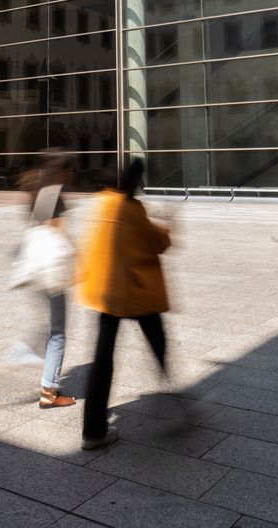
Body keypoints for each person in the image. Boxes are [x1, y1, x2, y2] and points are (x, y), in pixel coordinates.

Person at [78, 158, 171, 449]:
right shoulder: (130, 209)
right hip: (136, 292)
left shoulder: (101, 203)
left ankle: (92, 431)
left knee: (102, 360)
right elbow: (158, 244)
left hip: (104, 291)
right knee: (158, 342)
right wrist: (167, 226)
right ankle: (178, 400)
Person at [17, 151, 77, 410]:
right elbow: (57, 231)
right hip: (52, 273)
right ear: (61, 172)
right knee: (58, 334)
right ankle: (49, 391)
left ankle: (27, 351)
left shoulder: (37, 192)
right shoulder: (54, 196)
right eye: (68, 170)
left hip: (39, 271)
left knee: (53, 328)